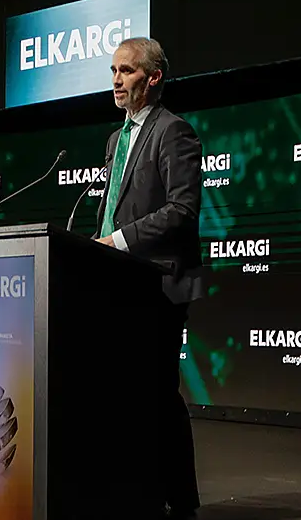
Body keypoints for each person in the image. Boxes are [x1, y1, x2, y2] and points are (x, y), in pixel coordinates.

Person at [94, 37, 202, 519]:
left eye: (127, 71)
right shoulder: (117, 140)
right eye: (113, 70)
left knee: (157, 396)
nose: (116, 80)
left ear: (152, 78)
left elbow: (182, 210)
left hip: (157, 286)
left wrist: (117, 241)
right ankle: (133, 494)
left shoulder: (173, 132)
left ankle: (182, 503)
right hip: (115, 284)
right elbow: (113, 207)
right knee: (119, 397)